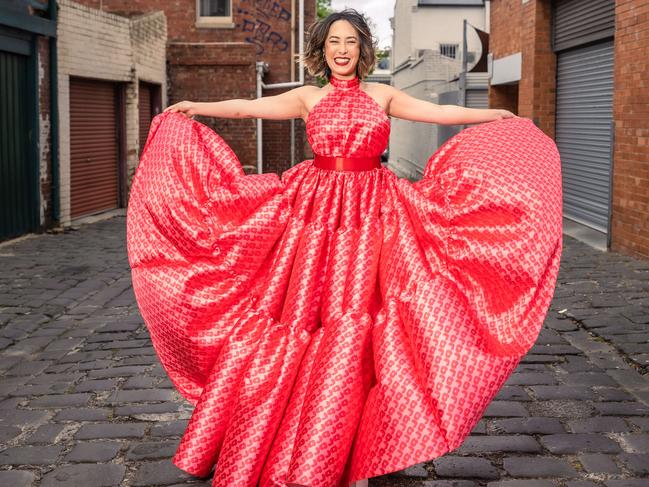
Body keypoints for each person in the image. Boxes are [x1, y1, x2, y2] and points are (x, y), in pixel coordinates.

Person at [126, 8, 563, 487]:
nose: (341, 50)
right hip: (313, 214)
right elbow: (246, 106)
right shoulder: (308, 97)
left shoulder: (383, 94)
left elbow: (439, 112)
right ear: (322, 49)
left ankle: (346, 440)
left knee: (362, 320)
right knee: (299, 317)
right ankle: (275, 432)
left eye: (350, 42)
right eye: (334, 41)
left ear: (362, 49)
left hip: (375, 213)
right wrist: (194, 108)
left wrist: (493, 115)